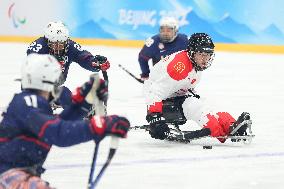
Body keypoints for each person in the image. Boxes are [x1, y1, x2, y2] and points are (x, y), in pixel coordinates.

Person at [0, 54, 130, 188]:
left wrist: (82, 105)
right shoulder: (28, 102)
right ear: (48, 81)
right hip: (7, 174)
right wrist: (98, 125)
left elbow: (57, 126)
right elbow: (58, 133)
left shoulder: (31, 103)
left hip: (12, 173)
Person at [143, 33, 252, 142]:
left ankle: (232, 126)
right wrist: (155, 119)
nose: (205, 58)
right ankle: (218, 129)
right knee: (197, 108)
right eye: (201, 54)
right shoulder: (179, 67)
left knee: (208, 105)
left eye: (208, 54)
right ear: (192, 52)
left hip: (177, 95)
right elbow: (155, 91)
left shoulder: (194, 63)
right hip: (163, 103)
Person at [27, 21, 109, 109]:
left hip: (56, 86)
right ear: (47, 40)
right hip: (36, 87)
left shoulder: (71, 47)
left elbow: (84, 57)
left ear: (66, 41)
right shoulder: (37, 47)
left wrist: (95, 63)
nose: (58, 47)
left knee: (65, 94)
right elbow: (31, 70)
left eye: (61, 43)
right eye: (54, 44)